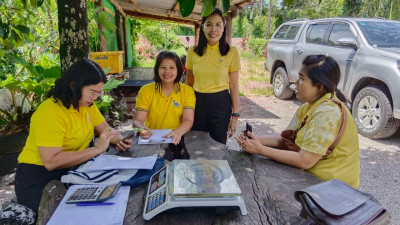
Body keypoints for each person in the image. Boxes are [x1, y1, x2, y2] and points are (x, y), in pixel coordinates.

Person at [15, 59, 133, 213]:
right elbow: (50, 161)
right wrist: (96, 150)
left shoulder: (86, 105)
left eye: (99, 93)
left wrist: (118, 139)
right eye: (92, 92)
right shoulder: (50, 112)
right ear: (73, 85)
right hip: (39, 180)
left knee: (112, 196)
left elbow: (105, 129)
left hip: (71, 170)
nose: (96, 97)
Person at [237, 55, 360, 189]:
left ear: (319, 87)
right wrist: (256, 140)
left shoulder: (328, 113)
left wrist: (260, 149)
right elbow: (287, 140)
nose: (295, 82)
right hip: (312, 181)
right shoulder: (308, 107)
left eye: (302, 79)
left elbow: (305, 161)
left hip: (332, 189)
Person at [186, 8, 240, 145]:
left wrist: (235, 116)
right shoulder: (193, 52)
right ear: (203, 27)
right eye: (209, 24)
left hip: (220, 104)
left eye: (218, 24)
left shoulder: (232, 52)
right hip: (197, 102)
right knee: (195, 143)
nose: (213, 29)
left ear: (223, 27)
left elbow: (234, 85)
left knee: (218, 146)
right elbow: (189, 83)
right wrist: (185, 109)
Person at [133, 51, 195, 145]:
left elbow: (188, 120)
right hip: (152, 139)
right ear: (157, 69)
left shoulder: (187, 91)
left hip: (177, 139)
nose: (167, 72)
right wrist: (141, 128)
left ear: (178, 70)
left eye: (172, 68)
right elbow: (137, 121)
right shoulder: (145, 91)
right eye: (163, 67)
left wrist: (178, 132)